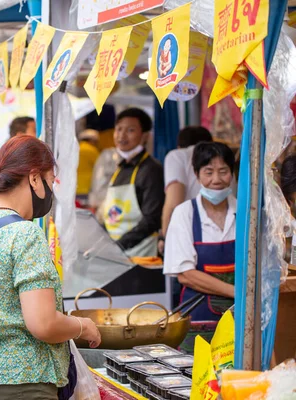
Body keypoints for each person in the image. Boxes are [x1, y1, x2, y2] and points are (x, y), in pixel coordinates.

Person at [0, 135, 101, 400]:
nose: (50, 192)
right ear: (34, 178)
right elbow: (43, 324)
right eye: (51, 182)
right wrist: (83, 326)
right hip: (19, 383)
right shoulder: (24, 234)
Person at [163, 142, 236, 344]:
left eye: (223, 171)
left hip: (239, 318)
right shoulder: (184, 213)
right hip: (199, 319)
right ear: (197, 175)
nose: (216, 180)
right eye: (208, 172)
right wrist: (236, 292)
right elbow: (186, 275)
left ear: (232, 173)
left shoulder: (245, 214)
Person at [101, 108, 164, 256]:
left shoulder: (151, 170)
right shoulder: (120, 168)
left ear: (145, 136)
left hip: (141, 254)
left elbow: (152, 219)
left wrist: (119, 246)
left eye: (130, 130)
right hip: (117, 255)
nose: (122, 135)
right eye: (119, 129)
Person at [159, 126, 213, 254]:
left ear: (179, 146)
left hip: (191, 237)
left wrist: (165, 237)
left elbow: (173, 203)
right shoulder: (222, 160)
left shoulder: (177, 156)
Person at [76, 129, 101, 203]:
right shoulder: (92, 150)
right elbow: (100, 167)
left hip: (74, 186)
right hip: (88, 187)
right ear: (92, 140)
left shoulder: (75, 149)